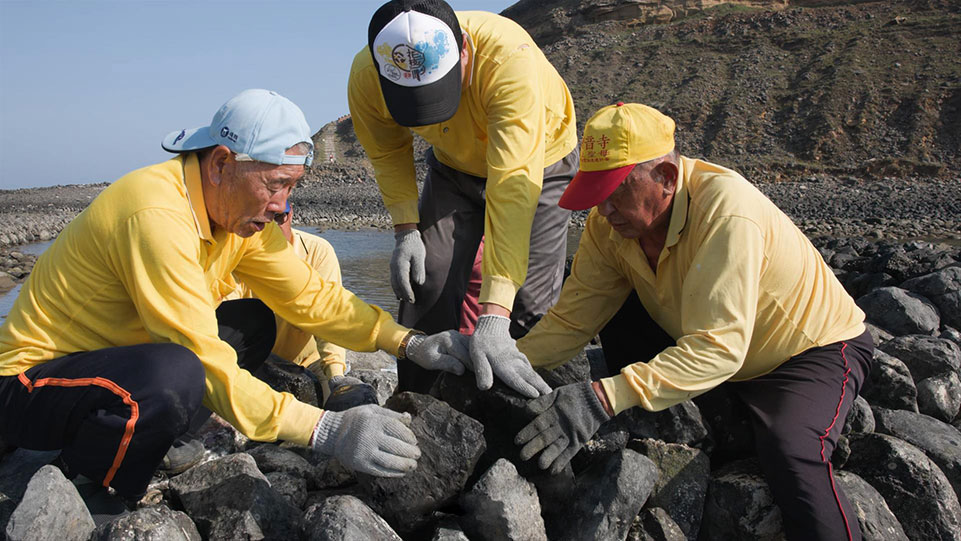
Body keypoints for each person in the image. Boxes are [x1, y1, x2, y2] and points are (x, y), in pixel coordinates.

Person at [0, 89, 469, 519]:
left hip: (116, 360)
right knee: (177, 373)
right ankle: (96, 483)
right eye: (274, 185)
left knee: (251, 323)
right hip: (32, 382)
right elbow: (202, 356)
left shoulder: (234, 217)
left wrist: (407, 342)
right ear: (222, 163)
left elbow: (312, 297)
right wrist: (327, 431)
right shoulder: (157, 215)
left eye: (292, 187)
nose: (282, 207)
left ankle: (155, 434)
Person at [513, 102, 874, 541]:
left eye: (615, 191)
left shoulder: (725, 211)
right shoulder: (610, 226)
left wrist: (602, 399)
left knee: (791, 451)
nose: (603, 209)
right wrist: (504, 361)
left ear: (666, 177)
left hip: (808, 352)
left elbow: (720, 347)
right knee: (618, 306)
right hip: (715, 345)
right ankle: (679, 429)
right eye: (595, 194)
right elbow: (572, 321)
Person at [348, 0, 579, 398]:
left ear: (465, 51)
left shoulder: (508, 61)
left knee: (527, 304)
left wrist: (493, 315)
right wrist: (406, 230)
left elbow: (512, 187)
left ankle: (523, 412)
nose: (431, 113)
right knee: (425, 277)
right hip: (454, 167)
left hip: (538, 163)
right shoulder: (369, 73)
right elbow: (388, 153)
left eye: (439, 93)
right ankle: (417, 403)